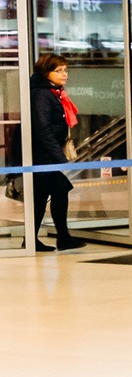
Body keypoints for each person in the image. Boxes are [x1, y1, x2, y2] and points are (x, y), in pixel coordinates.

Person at [27, 53, 84, 252]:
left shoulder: (50, 91)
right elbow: (43, 128)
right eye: (58, 70)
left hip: (43, 154)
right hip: (41, 155)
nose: (64, 74)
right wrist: (60, 159)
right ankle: (63, 238)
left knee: (41, 196)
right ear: (46, 72)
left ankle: (31, 239)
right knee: (60, 188)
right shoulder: (43, 94)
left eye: (65, 70)